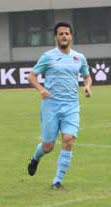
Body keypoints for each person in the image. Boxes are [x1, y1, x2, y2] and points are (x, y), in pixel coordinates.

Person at [26, 22, 92, 190]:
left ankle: (57, 181)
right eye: (61, 33)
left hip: (71, 106)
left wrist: (87, 86)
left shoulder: (79, 57)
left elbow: (87, 76)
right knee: (48, 146)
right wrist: (41, 89)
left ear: (71, 36)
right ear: (56, 37)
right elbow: (32, 76)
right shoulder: (48, 56)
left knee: (68, 140)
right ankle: (35, 158)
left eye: (66, 33)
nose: (64, 36)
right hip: (51, 106)